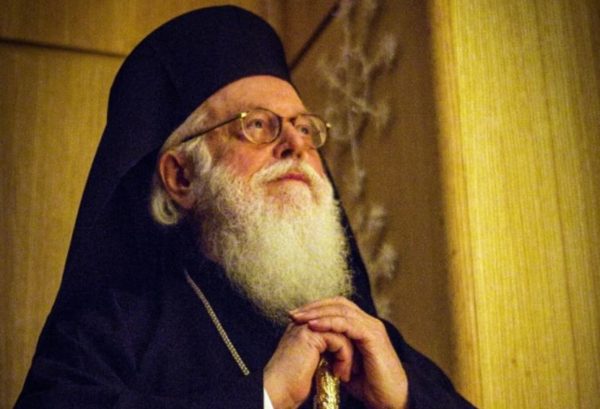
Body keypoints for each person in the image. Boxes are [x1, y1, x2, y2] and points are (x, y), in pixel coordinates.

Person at [16, 6, 475, 409]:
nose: (295, 144)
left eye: (304, 128)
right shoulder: (110, 332)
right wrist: (266, 396)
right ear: (181, 177)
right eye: (257, 125)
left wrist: (404, 399)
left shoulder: (367, 341)